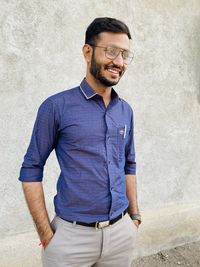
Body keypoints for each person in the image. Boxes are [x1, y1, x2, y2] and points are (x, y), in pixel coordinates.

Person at [19, 17, 141, 267]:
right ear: (88, 52)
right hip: (70, 239)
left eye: (125, 54)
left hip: (120, 234)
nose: (118, 61)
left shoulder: (125, 111)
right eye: (110, 51)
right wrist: (45, 233)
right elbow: (31, 169)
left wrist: (135, 216)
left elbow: (129, 164)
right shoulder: (56, 107)